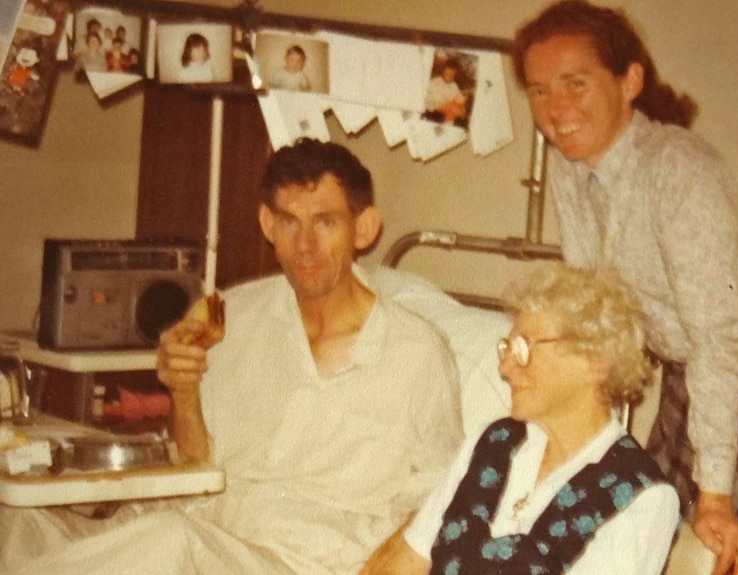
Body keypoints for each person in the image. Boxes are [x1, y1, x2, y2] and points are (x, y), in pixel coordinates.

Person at [509, 2, 738, 575]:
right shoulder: (571, 167)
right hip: (689, 382)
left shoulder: (678, 168)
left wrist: (716, 493)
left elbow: (720, 342)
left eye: (575, 84)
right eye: (540, 91)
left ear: (629, 81)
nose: (556, 109)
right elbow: (592, 307)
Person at [0, 139, 462, 575]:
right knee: (19, 519)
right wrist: (183, 390)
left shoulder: (417, 354)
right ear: (266, 224)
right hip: (196, 525)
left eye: (325, 222)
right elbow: (193, 457)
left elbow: (438, 507)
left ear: (364, 228)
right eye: (288, 221)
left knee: (170, 543)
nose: (304, 246)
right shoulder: (231, 315)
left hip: (291, 560)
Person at [361, 263, 679, 575]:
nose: (505, 368)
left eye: (525, 348)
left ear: (596, 360)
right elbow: (406, 561)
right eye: (507, 348)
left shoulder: (642, 499)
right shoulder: (492, 443)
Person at [423, 59, 467, 124]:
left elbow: (461, 104)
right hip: (430, 113)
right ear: (443, 71)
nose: (450, 74)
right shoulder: (434, 82)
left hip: (445, 118)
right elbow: (425, 99)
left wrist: (460, 109)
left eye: (453, 73)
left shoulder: (454, 87)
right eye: (448, 72)